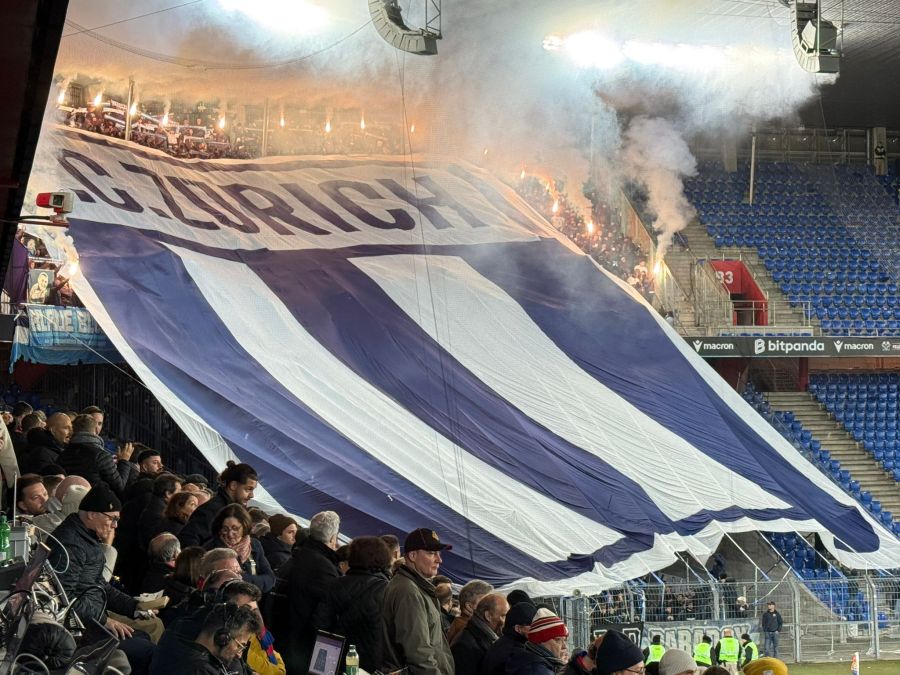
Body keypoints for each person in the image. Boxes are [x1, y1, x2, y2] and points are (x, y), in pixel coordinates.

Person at [313, 535, 392, 673]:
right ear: (383, 558)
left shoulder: (335, 584)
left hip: (334, 659)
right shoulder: (386, 589)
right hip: (370, 663)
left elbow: (320, 623)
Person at [380, 527, 454, 675]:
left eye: (438, 553)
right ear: (413, 555)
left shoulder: (409, 586)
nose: (439, 560)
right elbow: (419, 654)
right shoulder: (408, 591)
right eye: (431, 553)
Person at [277, 510, 340, 673]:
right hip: (305, 646)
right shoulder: (324, 568)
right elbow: (327, 613)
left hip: (285, 639)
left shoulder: (297, 556)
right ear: (333, 538)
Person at [165, 602, 261, 675]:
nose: (239, 655)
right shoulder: (198, 669)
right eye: (239, 645)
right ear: (223, 638)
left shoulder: (189, 650)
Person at [179, 460, 258, 547]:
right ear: (233, 485)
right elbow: (187, 539)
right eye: (248, 489)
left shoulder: (229, 509)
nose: (252, 495)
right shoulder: (212, 510)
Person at [57, 413, 137, 497]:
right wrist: (124, 461)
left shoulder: (62, 454)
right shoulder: (101, 456)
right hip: (95, 504)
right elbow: (119, 487)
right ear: (95, 429)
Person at [208, 503, 275, 592]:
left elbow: (270, 579)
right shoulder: (212, 548)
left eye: (235, 528)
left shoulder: (254, 545)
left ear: (244, 526)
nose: (230, 534)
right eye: (225, 529)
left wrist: (241, 579)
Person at [451, 593, 508, 674]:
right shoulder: (464, 646)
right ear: (488, 616)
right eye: (503, 616)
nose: (505, 621)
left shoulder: (481, 637)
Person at [480, 601, 537, 675]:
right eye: (533, 625)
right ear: (518, 628)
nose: (537, 628)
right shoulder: (516, 654)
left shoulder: (504, 643)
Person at [505, 609, 569, 675]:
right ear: (540, 640)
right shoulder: (538, 670)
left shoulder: (530, 659)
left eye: (564, 640)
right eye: (557, 640)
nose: (564, 646)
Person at [139, 473, 183, 551]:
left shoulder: (154, 504)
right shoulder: (159, 513)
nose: (181, 495)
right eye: (179, 491)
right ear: (168, 493)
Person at [447, 579, 494, 645]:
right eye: (484, 602)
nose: (491, 606)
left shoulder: (460, 624)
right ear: (469, 606)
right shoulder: (467, 630)